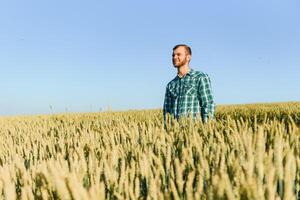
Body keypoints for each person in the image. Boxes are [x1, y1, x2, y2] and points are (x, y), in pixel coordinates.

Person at [163, 44, 215, 123]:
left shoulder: (200, 77)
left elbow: (208, 104)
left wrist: (207, 127)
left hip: (196, 131)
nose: (174, 57)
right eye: (173, 55)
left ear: (188, 57)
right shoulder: (170, 85)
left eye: (178, 54)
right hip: (175, 132)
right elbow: (167, 113)